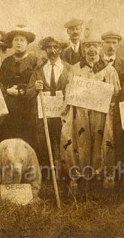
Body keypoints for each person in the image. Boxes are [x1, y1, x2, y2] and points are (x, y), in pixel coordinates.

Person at [60, 33, 121, 191]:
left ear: (100, 48)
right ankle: (79, 176)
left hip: (101, 114)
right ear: (83, 49)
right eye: (88, 46)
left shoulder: (109, 70)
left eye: (95, 45)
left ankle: (102, 177)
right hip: (80, 113)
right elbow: (68, 92)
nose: (92, 49)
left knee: (102, 141)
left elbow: (115, 94)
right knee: (80, 141)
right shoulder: (75, 69)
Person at [26, 37, 72, 170]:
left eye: (55, 47)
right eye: (49, 48)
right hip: (44, 113)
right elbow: (28, 93)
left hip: (63, 113)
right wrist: (35, 87)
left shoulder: (68, 69)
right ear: (45, 50)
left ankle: (65, 171)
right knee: (44, 142)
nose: (52, 50)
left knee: (64, 141)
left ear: (60, 49)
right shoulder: (39, 70)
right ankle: (48, 172)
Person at [0, 25, 39, 143]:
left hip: (29, 106)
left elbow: (38, 82)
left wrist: (26, 91)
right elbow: (0, 84)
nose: (18, 43)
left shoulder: (34, 61)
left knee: (28, 138)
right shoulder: (6, 62)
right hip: (10, 106)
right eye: (16, 40)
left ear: (27, 43)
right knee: (10, 137)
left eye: (22, 40)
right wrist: (7, 90)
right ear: (12, 42)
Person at [101, 31, 124, 169]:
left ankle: (119, 168)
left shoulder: (123, 63)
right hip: (101, 106)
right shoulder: (96, 62)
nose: (111, 46)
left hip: (119, 108)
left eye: (114, 43)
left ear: (118, 45)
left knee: (119, 135)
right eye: (108, 42)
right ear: (102, 44)